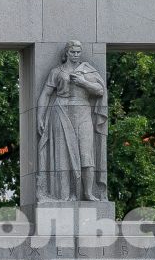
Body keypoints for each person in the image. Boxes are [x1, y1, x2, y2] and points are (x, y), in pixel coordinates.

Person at [36, 41, 108, 202]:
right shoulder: (57, 71)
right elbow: (46, 94)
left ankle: (88, 193)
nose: (76, 55)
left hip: (83, 112)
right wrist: (40, 116)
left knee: (86, 154)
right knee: (63, 155)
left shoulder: (87, 70)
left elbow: (100, 91)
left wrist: (84, 82)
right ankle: (65, 194)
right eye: (73, 52)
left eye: (78, 52)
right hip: (60, 111)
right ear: (67, 53)